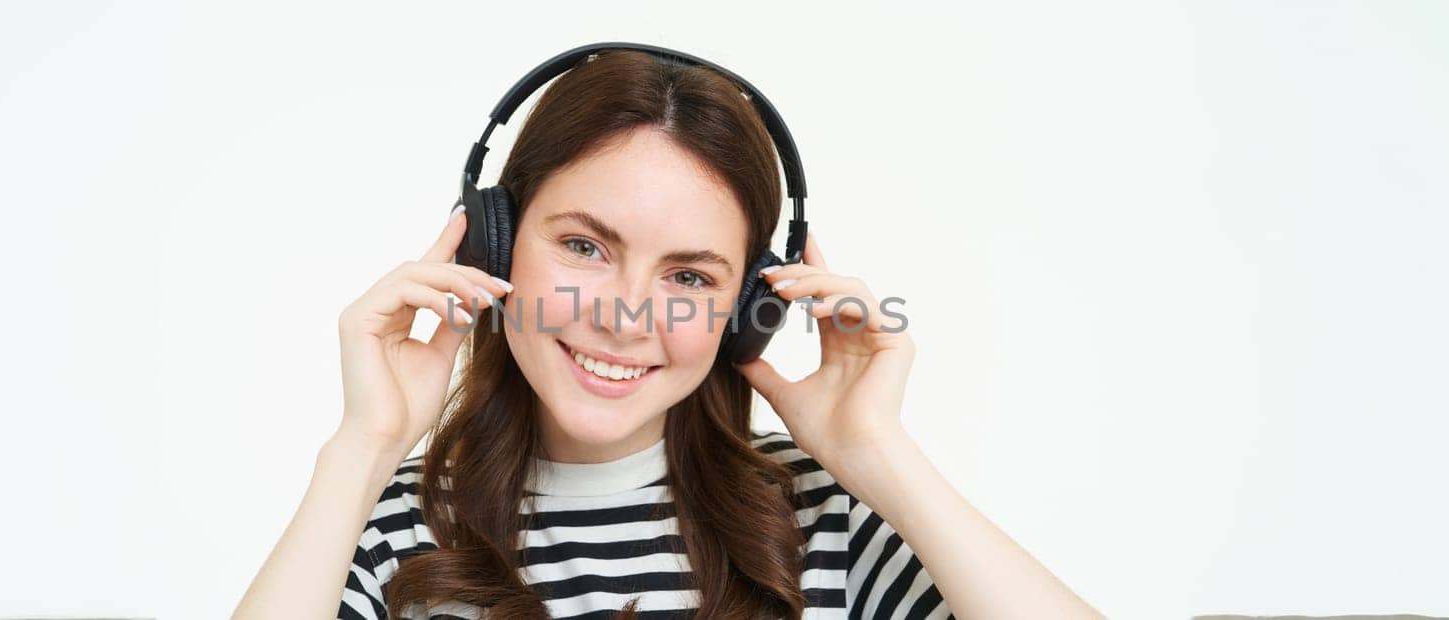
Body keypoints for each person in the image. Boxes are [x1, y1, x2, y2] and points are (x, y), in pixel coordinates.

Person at [232, 48, 1099, 619]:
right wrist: (360, 449)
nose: (628, 313)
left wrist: (880, 455)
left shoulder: (827, 520)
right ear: (491, 242)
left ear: (751, 307)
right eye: (583, 246)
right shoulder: (387, 523)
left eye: (689, 276)